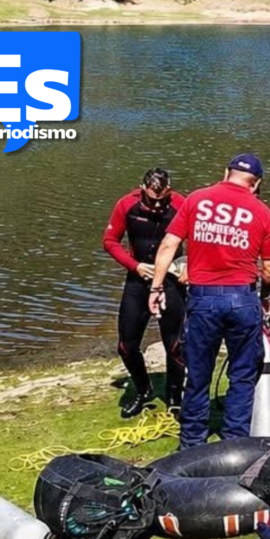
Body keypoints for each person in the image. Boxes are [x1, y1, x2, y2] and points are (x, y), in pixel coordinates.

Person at [149, 154, 270, 450]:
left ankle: (191, 446)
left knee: (197, 374)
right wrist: (264, 298)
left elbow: (169, 245)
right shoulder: (261, 211)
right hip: (242, 299)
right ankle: (234, 446)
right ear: (256, 183)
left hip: (203, 299)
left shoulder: (196, 199)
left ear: (226, 173)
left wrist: (156, 288)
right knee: (242, 375)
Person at [103, 168, 187, 418]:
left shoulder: (181, 204)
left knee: (175, 345)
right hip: (138, 278)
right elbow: (109, 241)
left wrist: (191, 266)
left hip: (172, 280)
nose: (158, 205)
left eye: (163, 200)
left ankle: (174, 397)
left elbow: (199, 238)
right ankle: (143, 390)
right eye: (152, 200)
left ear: (170, 190)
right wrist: (135, 266)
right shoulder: (127, 205)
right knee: (126, 345)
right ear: (142, 190)